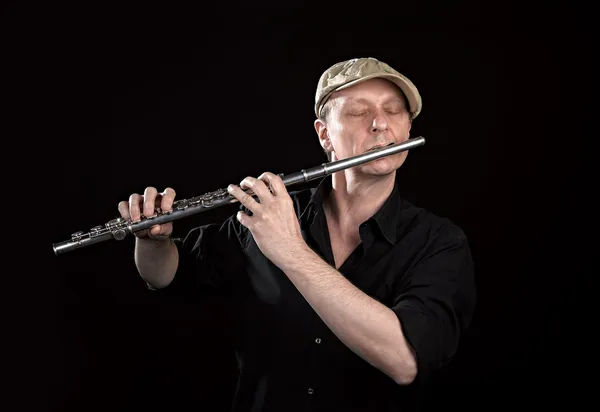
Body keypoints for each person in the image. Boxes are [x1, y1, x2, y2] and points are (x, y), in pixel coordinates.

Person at [118, 57, 477, 412]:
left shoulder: (439, 244)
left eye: (394, 110)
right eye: (358, 111)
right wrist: (153, 241)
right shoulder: (268, 214)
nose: (380, 124)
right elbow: (166, 274)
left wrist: (291, 251)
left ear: (408, 129)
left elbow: (404, 361)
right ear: (324, 134)